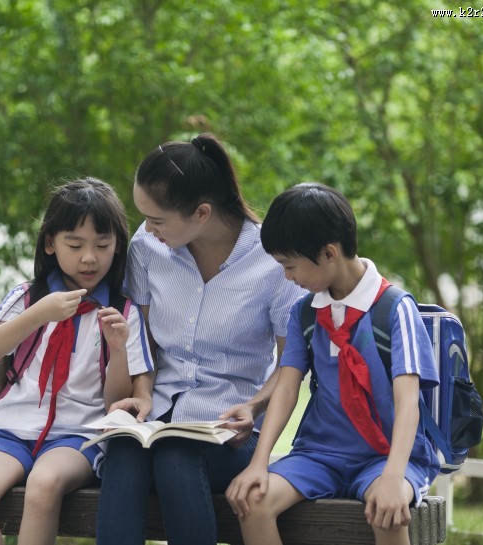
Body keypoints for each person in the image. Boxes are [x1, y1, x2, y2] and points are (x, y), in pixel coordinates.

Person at [95, 134, 305, 545]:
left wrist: (255, 405)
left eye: (157, 220)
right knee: (122, 452)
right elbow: (145, 340)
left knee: (176, 457)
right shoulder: (147, 248)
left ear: (201, 213)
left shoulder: (271, 262)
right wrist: (142, 392)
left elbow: (290, 365)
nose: (146, 230)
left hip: (228, 433)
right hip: (156, 420)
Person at [225, 182, 440, 545]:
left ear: (328, 253)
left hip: (387, 457)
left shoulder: (395, 309)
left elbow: (408, 403)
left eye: (290, 265)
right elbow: (287, 388)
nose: (287, 277)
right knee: (252, 500)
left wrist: (392, 476)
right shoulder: (304, 313)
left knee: (385, 511)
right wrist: (258, 463)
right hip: (319, 455)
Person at [0, 177, 154, 545]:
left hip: (77, 435)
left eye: (103, 245)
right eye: (75, 245)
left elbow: (115, 403)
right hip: (10, 429)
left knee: (44, 486)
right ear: (50, 243)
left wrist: (119, 349)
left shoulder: (122, 313)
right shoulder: (29, 297)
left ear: (118, 248)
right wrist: (40, 313)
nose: (89, 257)